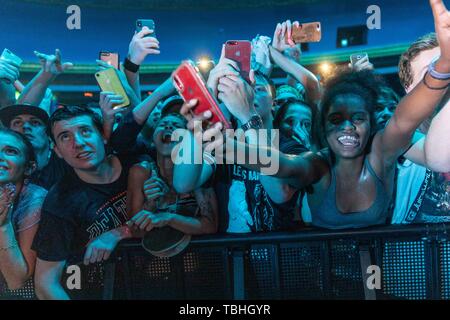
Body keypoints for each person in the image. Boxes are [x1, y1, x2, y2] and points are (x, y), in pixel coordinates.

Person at [196, 0, 450, 230]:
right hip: (323, 277)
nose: (347, 127)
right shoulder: (317, 165)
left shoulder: (381, 151)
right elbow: (276, 164)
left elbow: (405, 117)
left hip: (385, 274)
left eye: (358, 118)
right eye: (336, 120)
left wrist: (444, 67)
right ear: (323, 126)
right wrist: (226, 132)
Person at [31, 106, 138, 300]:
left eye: (85, 131)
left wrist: (119, 233)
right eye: (65, 136)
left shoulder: (136, 162)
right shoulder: (60, 203)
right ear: (57, 151)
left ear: (102, 135)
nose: (78, 143)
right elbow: (46, 283)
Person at [126, 109, 218, 250]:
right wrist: (150, 203)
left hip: (197, 257)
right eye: (163, 124)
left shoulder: (198, 169)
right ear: (152, 139)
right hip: (153, 262)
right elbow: (135, 231)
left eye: (176, 126)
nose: (169, 127)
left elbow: (210, 225)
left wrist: (168, 218)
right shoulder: (141, 172)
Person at [0, 129, 47, 292]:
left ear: (29, 167)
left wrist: (3, 225)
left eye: (10, 151)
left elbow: (16, 280)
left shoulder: (35, 198)